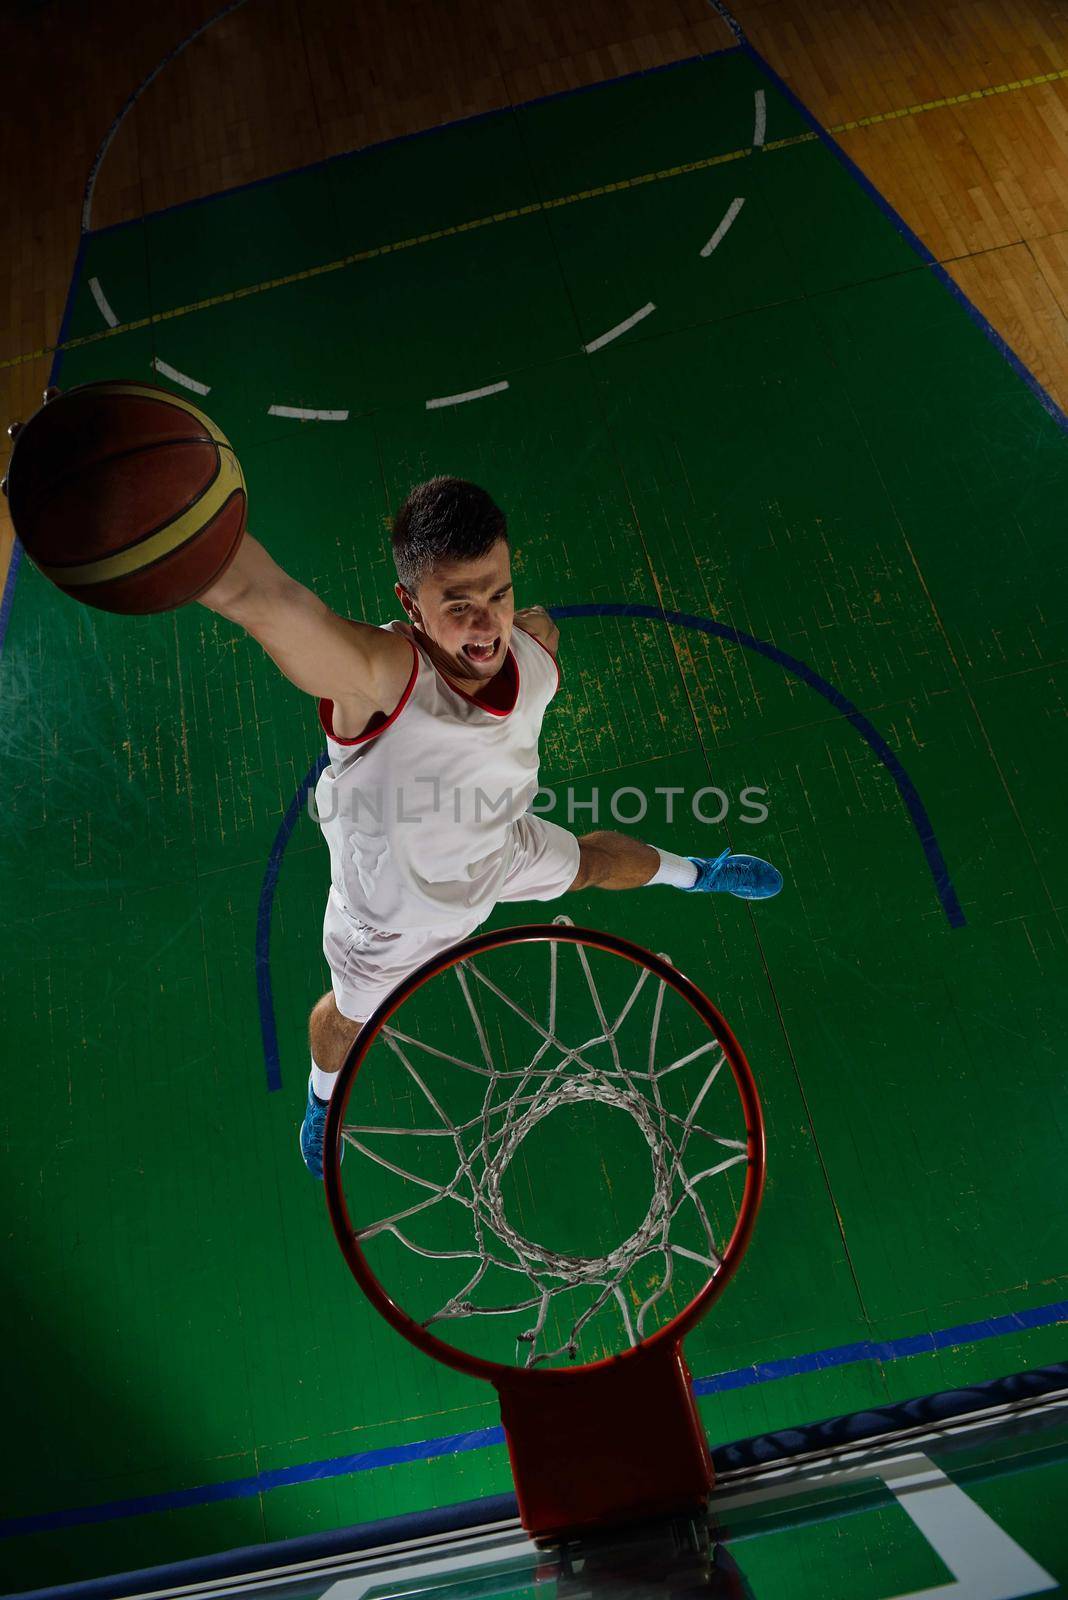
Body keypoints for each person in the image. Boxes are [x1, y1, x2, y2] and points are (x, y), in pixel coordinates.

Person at [199, 476, 782, 1178]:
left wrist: (520, 620)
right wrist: (167, 524)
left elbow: (536, 629)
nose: (486, 625)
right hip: (390, 918)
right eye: (460, 605)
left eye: (498, 593)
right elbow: (264, 601)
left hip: (498, 846)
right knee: (348, 1022)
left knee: (593, 862)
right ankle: (323, 1102)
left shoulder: (531, 654)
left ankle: (703, 873)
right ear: (409, 606)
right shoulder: (377, 677)